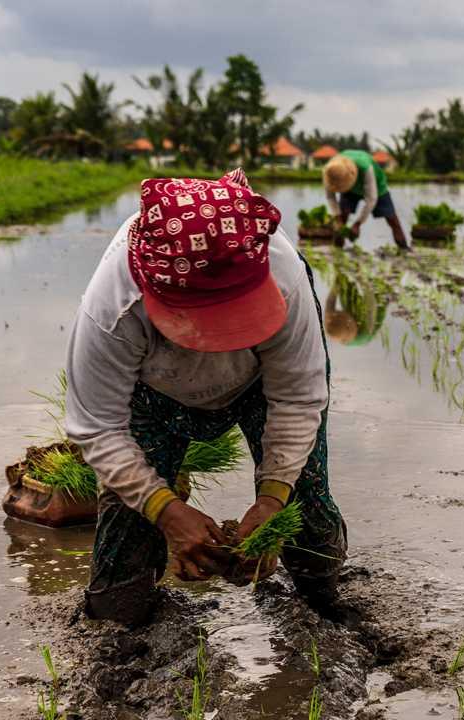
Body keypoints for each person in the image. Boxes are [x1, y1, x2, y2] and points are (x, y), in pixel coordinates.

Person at [64, 169, 346, 626]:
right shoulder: (114, 304)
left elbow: (297, 399)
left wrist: (272, 500)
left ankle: (329, 607)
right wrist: (167, 511)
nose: (216, 343)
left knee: (306, 503)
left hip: (260, 387)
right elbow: (97, 426)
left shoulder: (284, 277)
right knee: (123, 554)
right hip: (153, 395)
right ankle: (118, 630)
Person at [323, 149, 410, 251]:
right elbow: (330, 197)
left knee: (392, 219)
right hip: (349, 190)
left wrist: (358, 224)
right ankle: (337, 250)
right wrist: (337, 217)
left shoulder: (366, 167)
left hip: (377, 187)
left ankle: (404, 248)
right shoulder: (331, 170)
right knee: (342, 219)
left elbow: (371, 199)